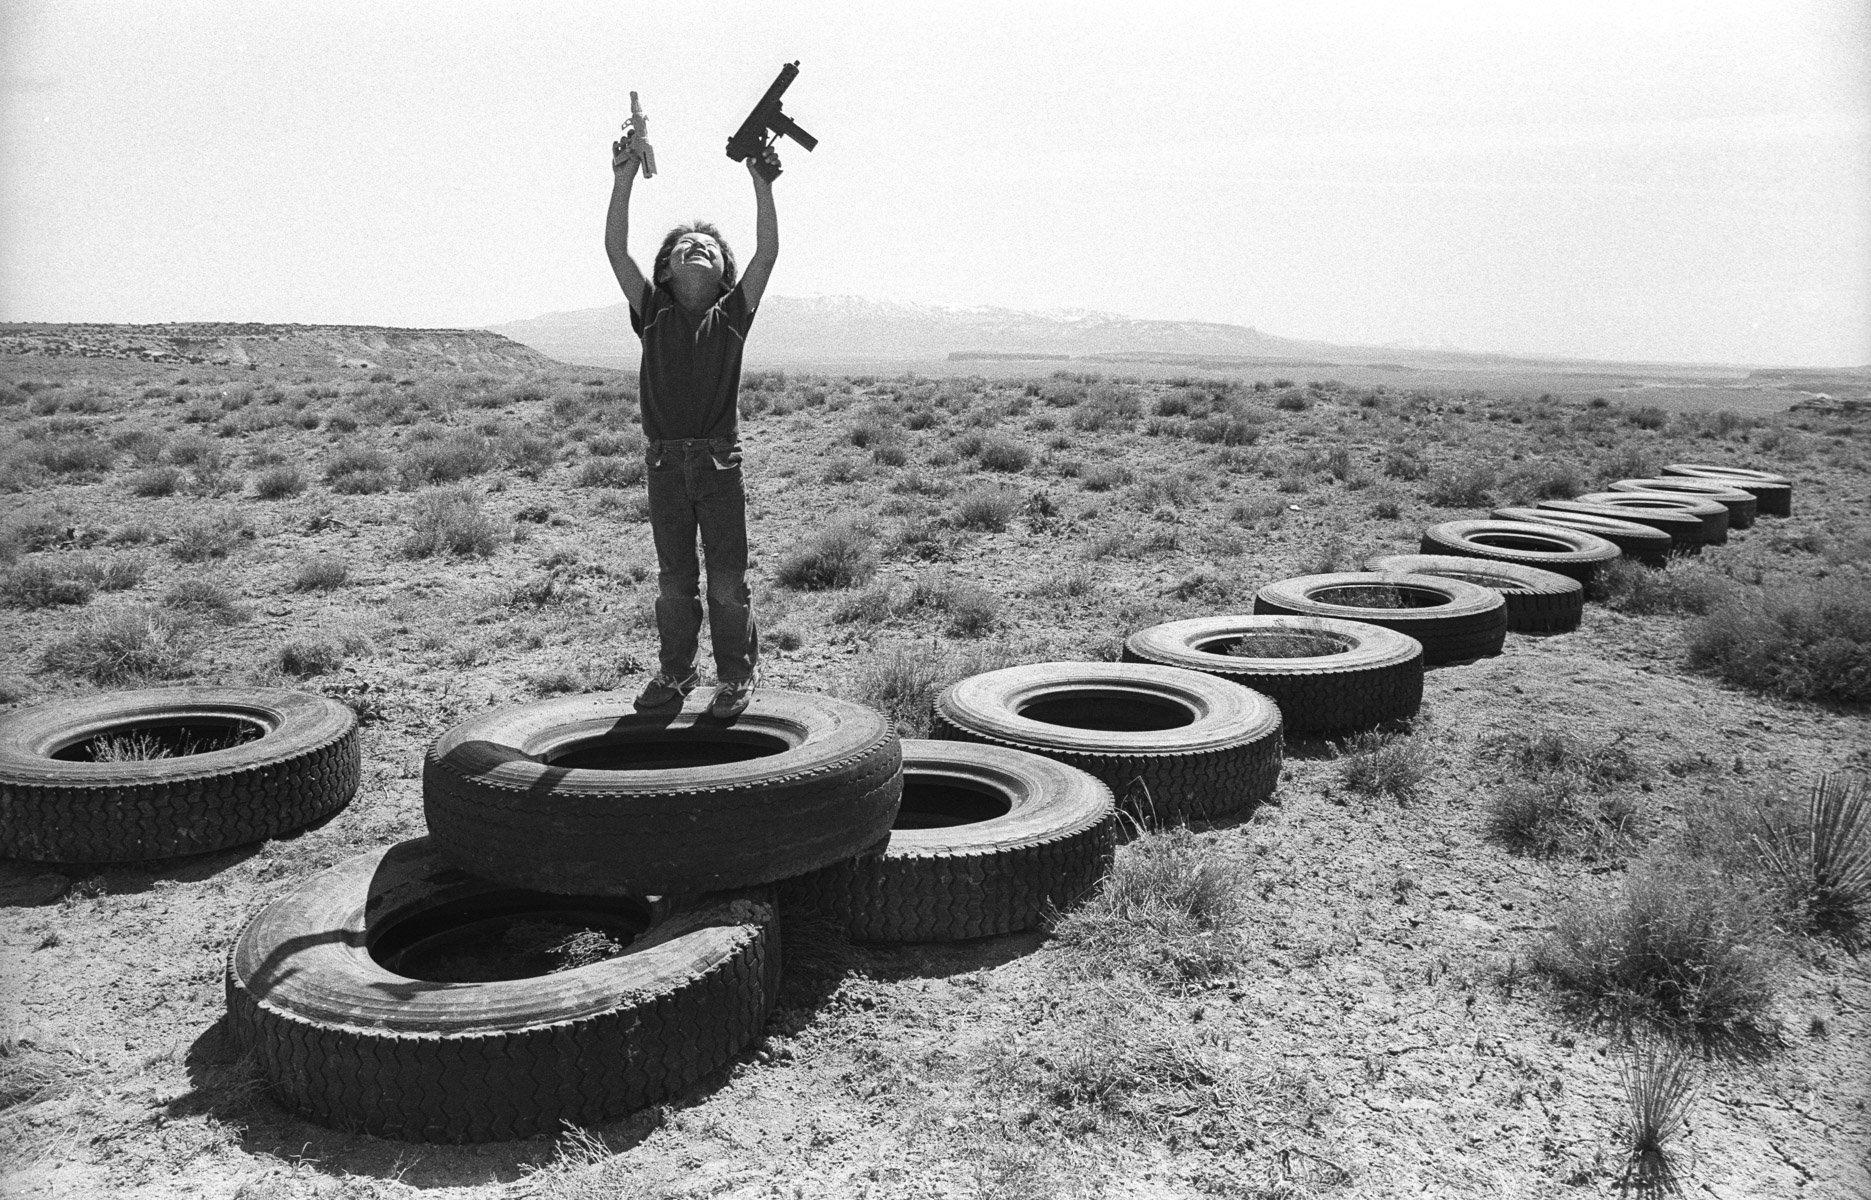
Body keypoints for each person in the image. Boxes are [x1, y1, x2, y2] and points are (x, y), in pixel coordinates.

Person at [605, 124, 780, 719]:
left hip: (717, 465)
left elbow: (767, 254)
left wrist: (762, 185)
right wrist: (623, 180)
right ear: (668, 270)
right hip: (663, 467)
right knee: (675, 581)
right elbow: (616, 251)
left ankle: (734, 679)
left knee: (728, 581)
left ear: (721, 268)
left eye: (707, 244)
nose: (696, 246)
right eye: (684, 245)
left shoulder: (734, 314)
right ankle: (676, 676)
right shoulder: (651, 310)